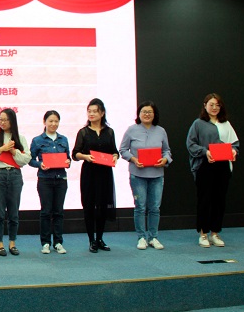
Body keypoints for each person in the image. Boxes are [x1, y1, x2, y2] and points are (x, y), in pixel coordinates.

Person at [186, 93, 239, 248]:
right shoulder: (198, 124)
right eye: (211, 104)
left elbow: (235, 143)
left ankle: (215, 233)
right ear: (205, 106)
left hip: (223, 166)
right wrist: (205, 152)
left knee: (219, 200)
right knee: (205, 200)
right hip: (205, 165)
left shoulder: (226, 124)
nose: (214, 108)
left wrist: (234, 151)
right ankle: (203, 233)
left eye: (217, 105)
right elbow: (191, 144)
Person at [120, 101, 172, 250]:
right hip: (138, 175)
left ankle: (153, 237)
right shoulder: (131, 130)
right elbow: (123, 150)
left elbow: (167, 151)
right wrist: (133, 159)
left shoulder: (161, 131)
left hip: (157, 175)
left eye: (150, 112)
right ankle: (141, 237)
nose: (147, 114)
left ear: (154, 114)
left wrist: (165, 160)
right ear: (139, 114)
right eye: (144, 111)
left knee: (155, 207)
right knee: (140, 207)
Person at [72, 98, 118, 253]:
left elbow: (114, 151)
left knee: (103, 206)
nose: (91, 114)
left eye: (95, 111)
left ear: (102, 113)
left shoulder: (109, 132)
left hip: (105, 173)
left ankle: (100, 238)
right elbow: (75, 154)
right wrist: (85, 156)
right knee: (89, 206)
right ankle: (91, 240)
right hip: (89, 173)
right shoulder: (83, 132)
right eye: (89, 111)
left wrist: (115, 157)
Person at [0, 108, 31, 256]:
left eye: (6, 120)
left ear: (12, 121)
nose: (2, 122)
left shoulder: (20, 139)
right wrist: (1, 150)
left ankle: (12, 243)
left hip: (15, 175)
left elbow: (25, 160)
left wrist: (13, 151)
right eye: (1, 119)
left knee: (14, 212)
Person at [29, 110, 71, 255]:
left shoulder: (63, 139)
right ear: (44, 122)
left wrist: (68, 162)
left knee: (59, 211)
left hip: (61, 179)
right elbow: (30, 160)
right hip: (45, 180)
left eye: (56, 121)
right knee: (46, 212)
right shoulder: (37, 140)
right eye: (50, 121)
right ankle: (45, 243)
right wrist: (39, 164)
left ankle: (58, 242)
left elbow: (68, 158)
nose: (53, 124)